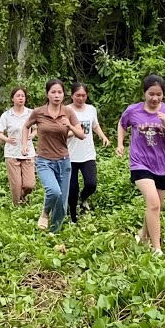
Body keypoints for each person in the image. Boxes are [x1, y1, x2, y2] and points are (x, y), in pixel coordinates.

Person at [116, 74, 165, 255]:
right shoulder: (133, 110)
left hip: (162, 165)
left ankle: (143, 234)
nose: (155, 98)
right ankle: (157, 249)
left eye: (159, 94)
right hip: (140, 164)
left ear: (163, 95)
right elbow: (122, 125)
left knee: (156, 207)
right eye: (151, 94)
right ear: (144, 93)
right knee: (153, 204)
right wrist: (120, 144)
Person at [24, 79, 86, 232]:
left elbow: (81, 135)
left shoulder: (68, 112)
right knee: (53, 191)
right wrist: (25, 144)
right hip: (44, 160)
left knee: (62, 203)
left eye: (59, 92)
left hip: (64, 161)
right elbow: (26, 126)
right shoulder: (39, 112)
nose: (57, 95)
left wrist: (69, 125)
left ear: (64, 94)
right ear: (47, 94)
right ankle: (45, 212)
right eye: (53, 92)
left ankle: (53, 233)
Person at [66, 82, 110, 223]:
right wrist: (74, 132)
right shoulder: (66, 110)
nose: (80, 98)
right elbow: (61, 132)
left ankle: (83, 198)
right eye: (78, 95)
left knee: (91, 184)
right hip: (70, 155)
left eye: (83, 95)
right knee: (72, 190)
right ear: (72, 95)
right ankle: (73, 217)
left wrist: (103, 136)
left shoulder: (91, 109)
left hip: (87, 154)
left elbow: (95, 125)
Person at [0, 86, 36, 205]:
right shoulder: (7, 115)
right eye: (18, 96)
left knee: (29, 184)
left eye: (23, 96)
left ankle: (23, 197)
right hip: (12, 152)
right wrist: (7, 139)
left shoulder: (31, 113)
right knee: (16, 184)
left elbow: (36, 129)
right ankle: (17, 207)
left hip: (28, 151)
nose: (20, 98)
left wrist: (32, 135)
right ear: (12, 98)